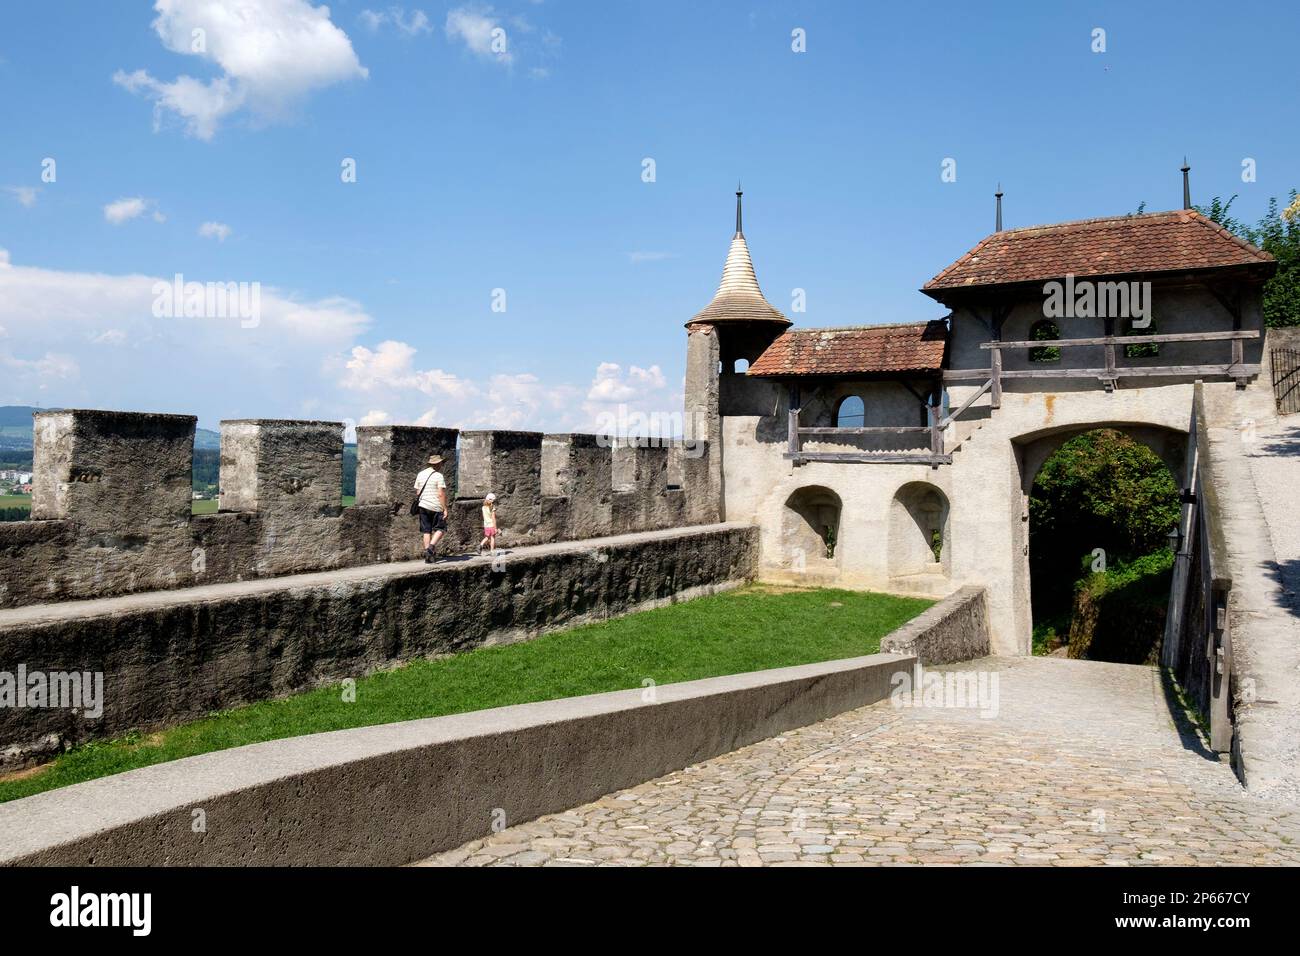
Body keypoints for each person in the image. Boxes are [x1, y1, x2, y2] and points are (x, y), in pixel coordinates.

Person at [414, 454, 448, 563]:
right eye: (441, 463)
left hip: (423, 506)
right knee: (441, 528)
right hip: (435, 506)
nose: (442, 465)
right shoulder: (439, 476)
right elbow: (441, 494)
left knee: (426, 531)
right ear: (438, 464)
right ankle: (430, 548)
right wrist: (445, 509)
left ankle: (428, 557)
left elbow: (418, 492)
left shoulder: (420, 474)